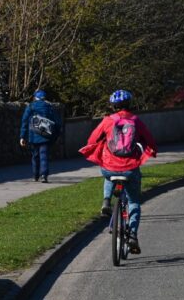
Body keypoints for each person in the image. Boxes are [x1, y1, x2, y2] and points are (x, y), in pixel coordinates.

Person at [79, 90, 157, 254]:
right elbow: (149, 140)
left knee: (108, 172)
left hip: (110, 166)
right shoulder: (136, 121)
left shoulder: (108, 121)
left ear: (113, 105)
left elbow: (92, 139)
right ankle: (133, 235)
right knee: (134, 201)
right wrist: (152, 149)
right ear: (130, 104)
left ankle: (106, 201)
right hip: (130, 168)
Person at [19, 90, 61, 183]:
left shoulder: (31, 106)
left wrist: (22, 136)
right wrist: (56, 136)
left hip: (33, 136)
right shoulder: (49, 107)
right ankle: (44, 175)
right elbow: (57, 122)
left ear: (35, 97)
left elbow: (25, 121)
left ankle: (35, 175)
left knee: (35, 156)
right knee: (44, 155)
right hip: (46, 135)